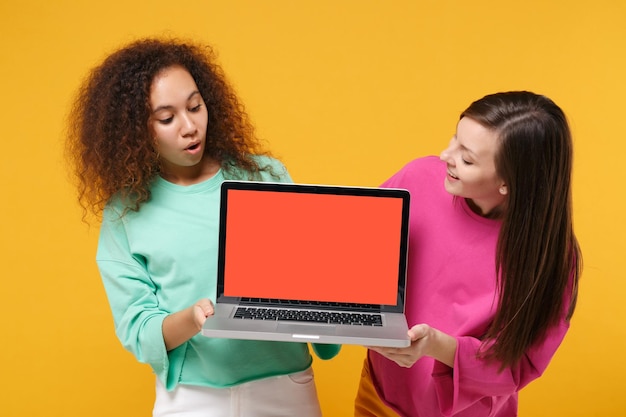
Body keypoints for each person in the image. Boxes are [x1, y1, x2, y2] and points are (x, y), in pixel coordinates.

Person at [65, 37, 340, 417]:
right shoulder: (124, 213)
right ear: (134, 130)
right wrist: (193, 319)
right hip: (190, 400)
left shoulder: (264, 176)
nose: (190, 126)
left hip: (286, 388)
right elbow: (139, 330)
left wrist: (341, 306)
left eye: (195, 107)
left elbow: (308, 276)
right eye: (167, 118)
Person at [354, 91, 581, 416]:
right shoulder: (416, 178)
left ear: (508, 182)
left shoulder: (549, 257)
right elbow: (359, 254)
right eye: (454, 140)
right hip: (380, 398)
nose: (446, 155)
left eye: (468, 158)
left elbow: (517, 367)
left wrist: (435, 346)